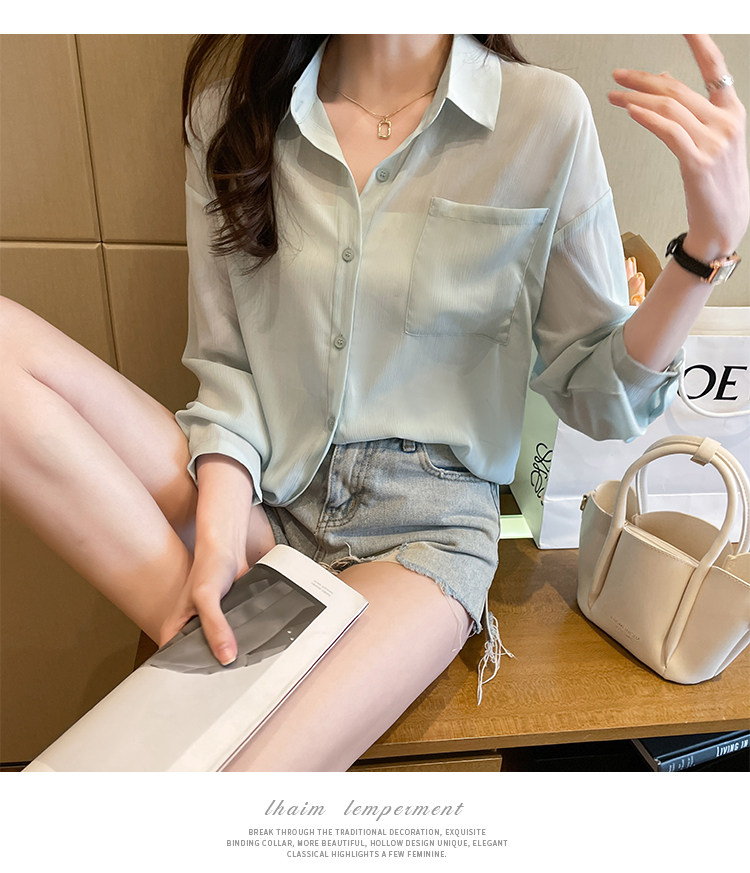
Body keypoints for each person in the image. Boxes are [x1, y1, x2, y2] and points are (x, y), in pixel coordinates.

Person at [0, 34, 747, 772]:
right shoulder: (231, 116)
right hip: (264, 489)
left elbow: (600, 399)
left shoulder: (543, 118)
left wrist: (703, 252)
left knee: (240, 780)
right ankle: (203, 635)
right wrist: (221, 518)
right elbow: (228, 364)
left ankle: (219, 669)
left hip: (421, 535)